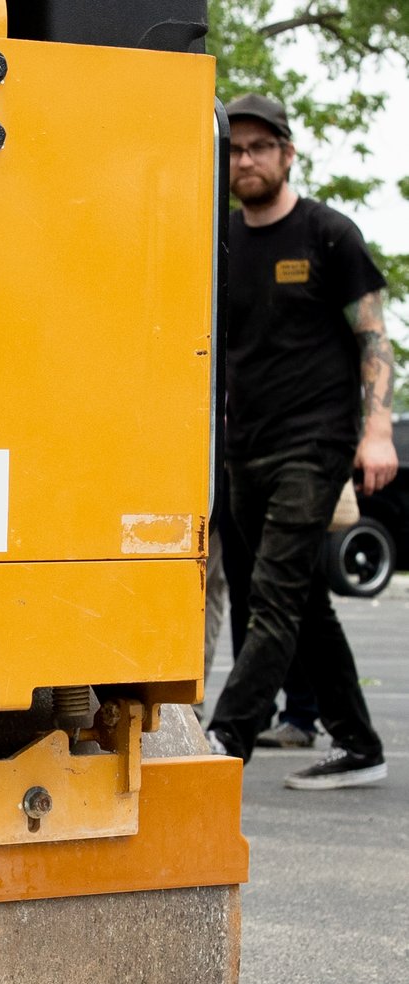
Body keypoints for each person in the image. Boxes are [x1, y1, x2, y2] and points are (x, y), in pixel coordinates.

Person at [205, 94, 389, 787]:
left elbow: (374, 335)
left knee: (274, 597)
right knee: (301, 600)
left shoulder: (328, 235)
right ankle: (359, 745)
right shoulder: (221, 239)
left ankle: (223, 742)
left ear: (287, 153)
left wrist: (376, 430)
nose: (244, 159)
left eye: (258, 146)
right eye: (234, 149)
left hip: (314, 444)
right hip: (243, 447)